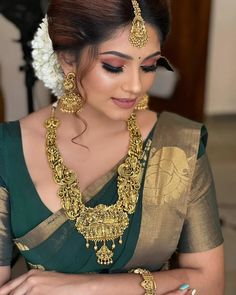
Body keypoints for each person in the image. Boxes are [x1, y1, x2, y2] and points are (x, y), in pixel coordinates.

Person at [0, 0, 224, 294]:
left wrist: (88, 287)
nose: (135, 85)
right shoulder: (9, 149)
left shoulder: (179, 144)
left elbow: (209, 283)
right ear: (67, 59)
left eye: (148, 66)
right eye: (114, 66)